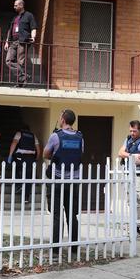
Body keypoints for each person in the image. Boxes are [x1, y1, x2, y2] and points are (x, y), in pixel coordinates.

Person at [44, 109, 84, 255]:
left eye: (60, 117)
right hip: (73, 182)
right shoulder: (80, 137)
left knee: (56, 215)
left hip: (57, 180)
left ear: (63, 119)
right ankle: (74, 247)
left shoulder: (56, 136)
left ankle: (55, 249)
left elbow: (46, 154)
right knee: (72, 215)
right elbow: (80, 154)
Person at [117, 120, 140, 234]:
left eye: (134, 131)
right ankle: (134, 223)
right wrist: (132, 156)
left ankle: (137, 224)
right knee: (130, 200)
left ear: (139, 130)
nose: (132, 133)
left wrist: (136, 160)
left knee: (137, 199)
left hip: (138, 175)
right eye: (130, 131)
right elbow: (120, 152)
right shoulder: (128, 139)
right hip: (128, 174)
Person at [4, 0, 37, 87]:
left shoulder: (29, 15)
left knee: (20, 62)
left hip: (22, 41)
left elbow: (33, 27)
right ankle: (24, 76)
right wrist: (7, 42)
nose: (14, 7)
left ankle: (20, 83)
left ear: (21, 5)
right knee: (8, 61)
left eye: (16, 5)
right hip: (13, 42)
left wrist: (33, 37)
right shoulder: (14, 18)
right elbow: (9, 30)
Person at [7, 123, 42, 198]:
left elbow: (14, 143)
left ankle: (19, 185)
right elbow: (38, 149)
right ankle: (26, 197)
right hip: (31, 158)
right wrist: (36, 158)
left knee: (17, 168)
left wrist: (10, 155)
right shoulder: (33, 136)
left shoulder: (19, 133)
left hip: (21, 157)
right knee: (29, 176)